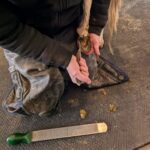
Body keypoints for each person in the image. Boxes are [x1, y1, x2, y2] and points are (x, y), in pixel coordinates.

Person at [0, 0, 128, 116]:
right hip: (26, 34)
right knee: (43, 92)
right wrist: (64, 59)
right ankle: (19, 72)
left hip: (69, 24)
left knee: (89, 72)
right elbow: (6, 31)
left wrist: (95, 27)